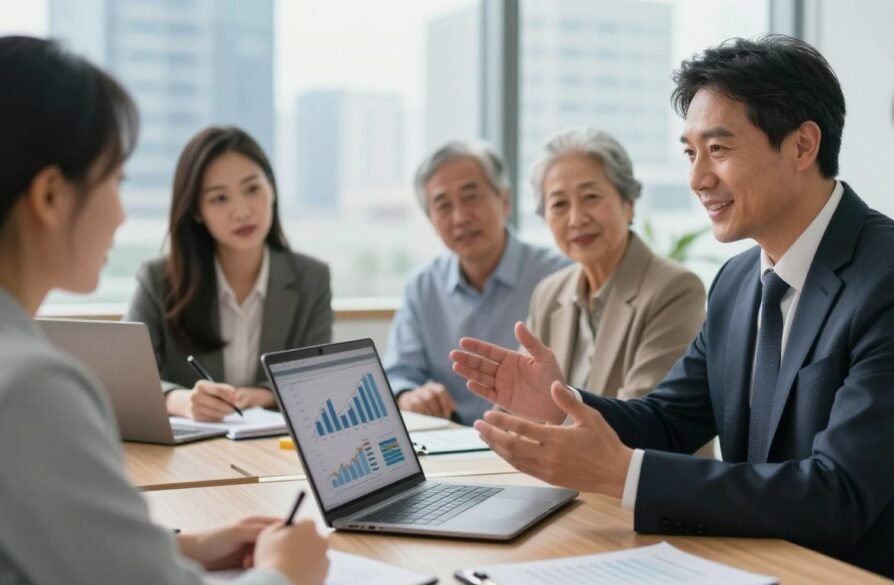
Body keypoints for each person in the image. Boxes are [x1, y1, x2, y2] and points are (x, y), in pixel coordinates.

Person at [450, 35, 894, 580]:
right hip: (749, 561)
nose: (698, 179)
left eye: (718, 150)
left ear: (802, 146)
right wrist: (564, 404)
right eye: (690, 153)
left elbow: (836, 494)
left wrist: (625, 474)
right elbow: (671, 419)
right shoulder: (737, 281)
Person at [0, 35, 327, 585]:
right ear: (51, 196)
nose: (124, 215)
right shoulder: (30, 387)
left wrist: (182, 548)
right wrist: (285, 575)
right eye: (116, 179)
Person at [126, 126, 333, 422]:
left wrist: (265, 394)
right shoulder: (157, 279)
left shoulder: (313, 278)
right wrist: (181, 400)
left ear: (271, 189)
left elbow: (319, 377)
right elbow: (128, 380)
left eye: (252, 189)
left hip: (276, 451)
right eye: (219, 199)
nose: (241, 211)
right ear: (197, 211)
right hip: (189, 457)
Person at [382, 140, 569, 423]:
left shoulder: (560, 277)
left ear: (504, 200)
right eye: (443, 206)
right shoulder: (421, 287)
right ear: (431, 221)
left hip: (535, 443)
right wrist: (409, 395)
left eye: (471, 197)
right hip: (447, 447)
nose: (460, 218)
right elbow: (399, 375)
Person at [526, 128, 705, 399]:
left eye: (591, 197)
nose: (576, 219)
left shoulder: (675, 289)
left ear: (629, 203)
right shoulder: (548, 295)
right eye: (559, 204)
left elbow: (644, 414)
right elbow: (517, 404)